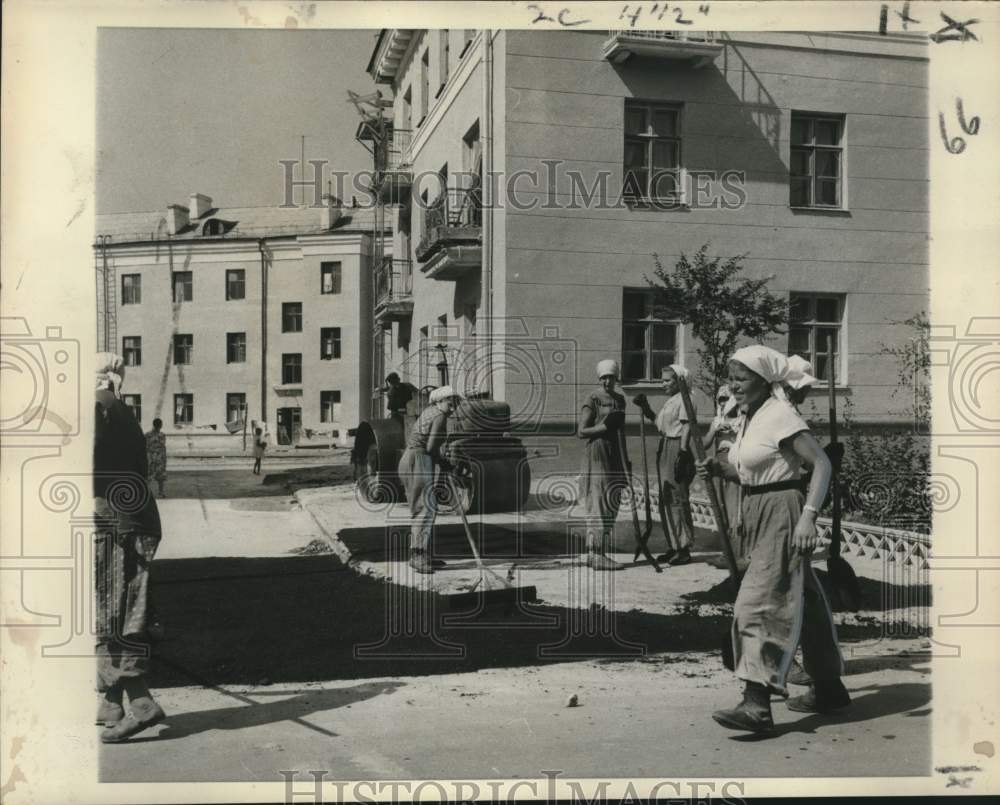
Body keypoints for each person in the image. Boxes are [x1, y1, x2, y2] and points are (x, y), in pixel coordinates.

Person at [696, 345, 849, 732]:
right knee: (803, 599)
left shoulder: (780, 415)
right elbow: (756, 471)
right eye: (731, 378)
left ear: (765, 381)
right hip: (759, 509)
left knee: (757, 603)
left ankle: (757, 703)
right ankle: (829, 688)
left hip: (784, 512)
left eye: (742, 379)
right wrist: (720, 469)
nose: (734, 385)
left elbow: (821, 464)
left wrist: (808, 518)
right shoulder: (751, 415)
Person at [93, 353, 166, 742]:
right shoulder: (113, 410)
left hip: (125, 525)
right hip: (121, 520)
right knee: (109, 609)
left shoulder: (104, 408)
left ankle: (141, 704)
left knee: (122, 613)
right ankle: (111, 701)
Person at [397, 385, 462, 574]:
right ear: (439, 401)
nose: (453, 408)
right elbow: (431, 447)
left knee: (423, 508)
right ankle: (418, 556)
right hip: (419, 459)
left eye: (456, 404)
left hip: (411, 459)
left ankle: (422, 553)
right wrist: (445, 462)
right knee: (425, 509)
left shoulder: (429, 411)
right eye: (450, 403)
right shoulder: (440, 416)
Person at [635, 365, 695, 566]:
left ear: (680, 381)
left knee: (676, 498)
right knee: (666, 498)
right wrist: (646, 409)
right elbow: (661, 425)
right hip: (666, 445)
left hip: (677, 447)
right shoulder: (672, 400)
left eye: (668, 380)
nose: (663, 384)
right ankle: (674, 545)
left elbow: (687, 426)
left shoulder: (686, 399)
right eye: (662, 380)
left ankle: (683, 549)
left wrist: (683, 453)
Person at [577, 359, 628, 571]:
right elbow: (581, 431)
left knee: (612, 501)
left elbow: (621, 432)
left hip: (615, 453)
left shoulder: (620, 400)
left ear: (616, 378)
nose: (608, 381)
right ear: (599, 378)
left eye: (611, 377)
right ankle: (597, 554)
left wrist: (626, 462)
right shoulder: (593, 398)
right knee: (599, 502)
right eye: (604, 377)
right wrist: (604, 427)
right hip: (597, 453)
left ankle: (592, 553)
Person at [702, 385, 745, 569]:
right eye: (720, 399)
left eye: (726, 398)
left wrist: (734, 432)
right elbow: (704, 443)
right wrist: (715, 429)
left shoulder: (743, 419)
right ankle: (726, 552)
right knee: (721, 508)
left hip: (734, 466)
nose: (723, 403)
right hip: (718, 466)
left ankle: (737, 553)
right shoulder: (717, 420)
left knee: (735, 509)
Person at [144, 418, 167, 497]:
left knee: (149, 476)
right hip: (159, 458)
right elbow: (163, 447)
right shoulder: (162, 435)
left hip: (150, 458)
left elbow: (145, 447)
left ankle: (146, 492)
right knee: (160, 477)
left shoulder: (147, 435)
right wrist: (164, 460)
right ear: (160, 425)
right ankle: (161, 492)